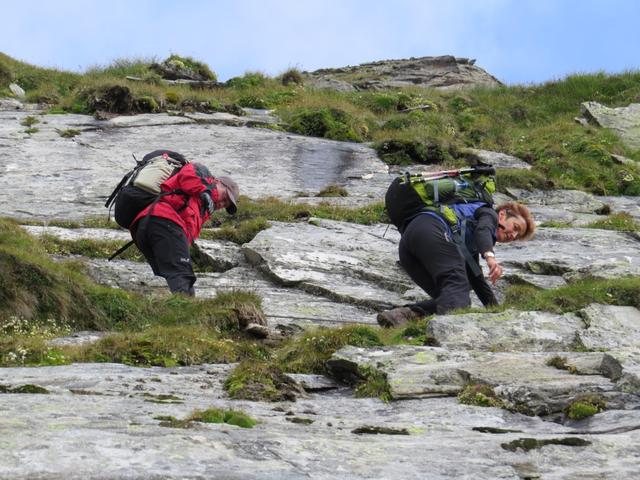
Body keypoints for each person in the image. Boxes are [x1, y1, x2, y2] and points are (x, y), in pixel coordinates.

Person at [377, 202, 535, 327]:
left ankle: (400, 315)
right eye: (515, 227)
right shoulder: (488, 214)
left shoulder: (468, 233)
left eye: (516, 236)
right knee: (458, 292)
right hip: (432, 229)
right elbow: (484, 230)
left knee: (454, 297)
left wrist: (496, 311)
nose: (512, 235)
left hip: (410, 245)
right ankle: (448, 334)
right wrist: (490, 256)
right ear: (502, 214)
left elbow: (476, 277)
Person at [130, 162, 239, 296]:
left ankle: (168, 310)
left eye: (225, 204)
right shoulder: (203, 176)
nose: (221, 203)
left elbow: (184, 236)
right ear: (218, 182)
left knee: (167, 277)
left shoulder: (203, 210)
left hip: (147, 227)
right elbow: (188, 174)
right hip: (164, 221)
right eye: (225, 196)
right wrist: (204, 191)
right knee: (182, 276)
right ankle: (186, 312)